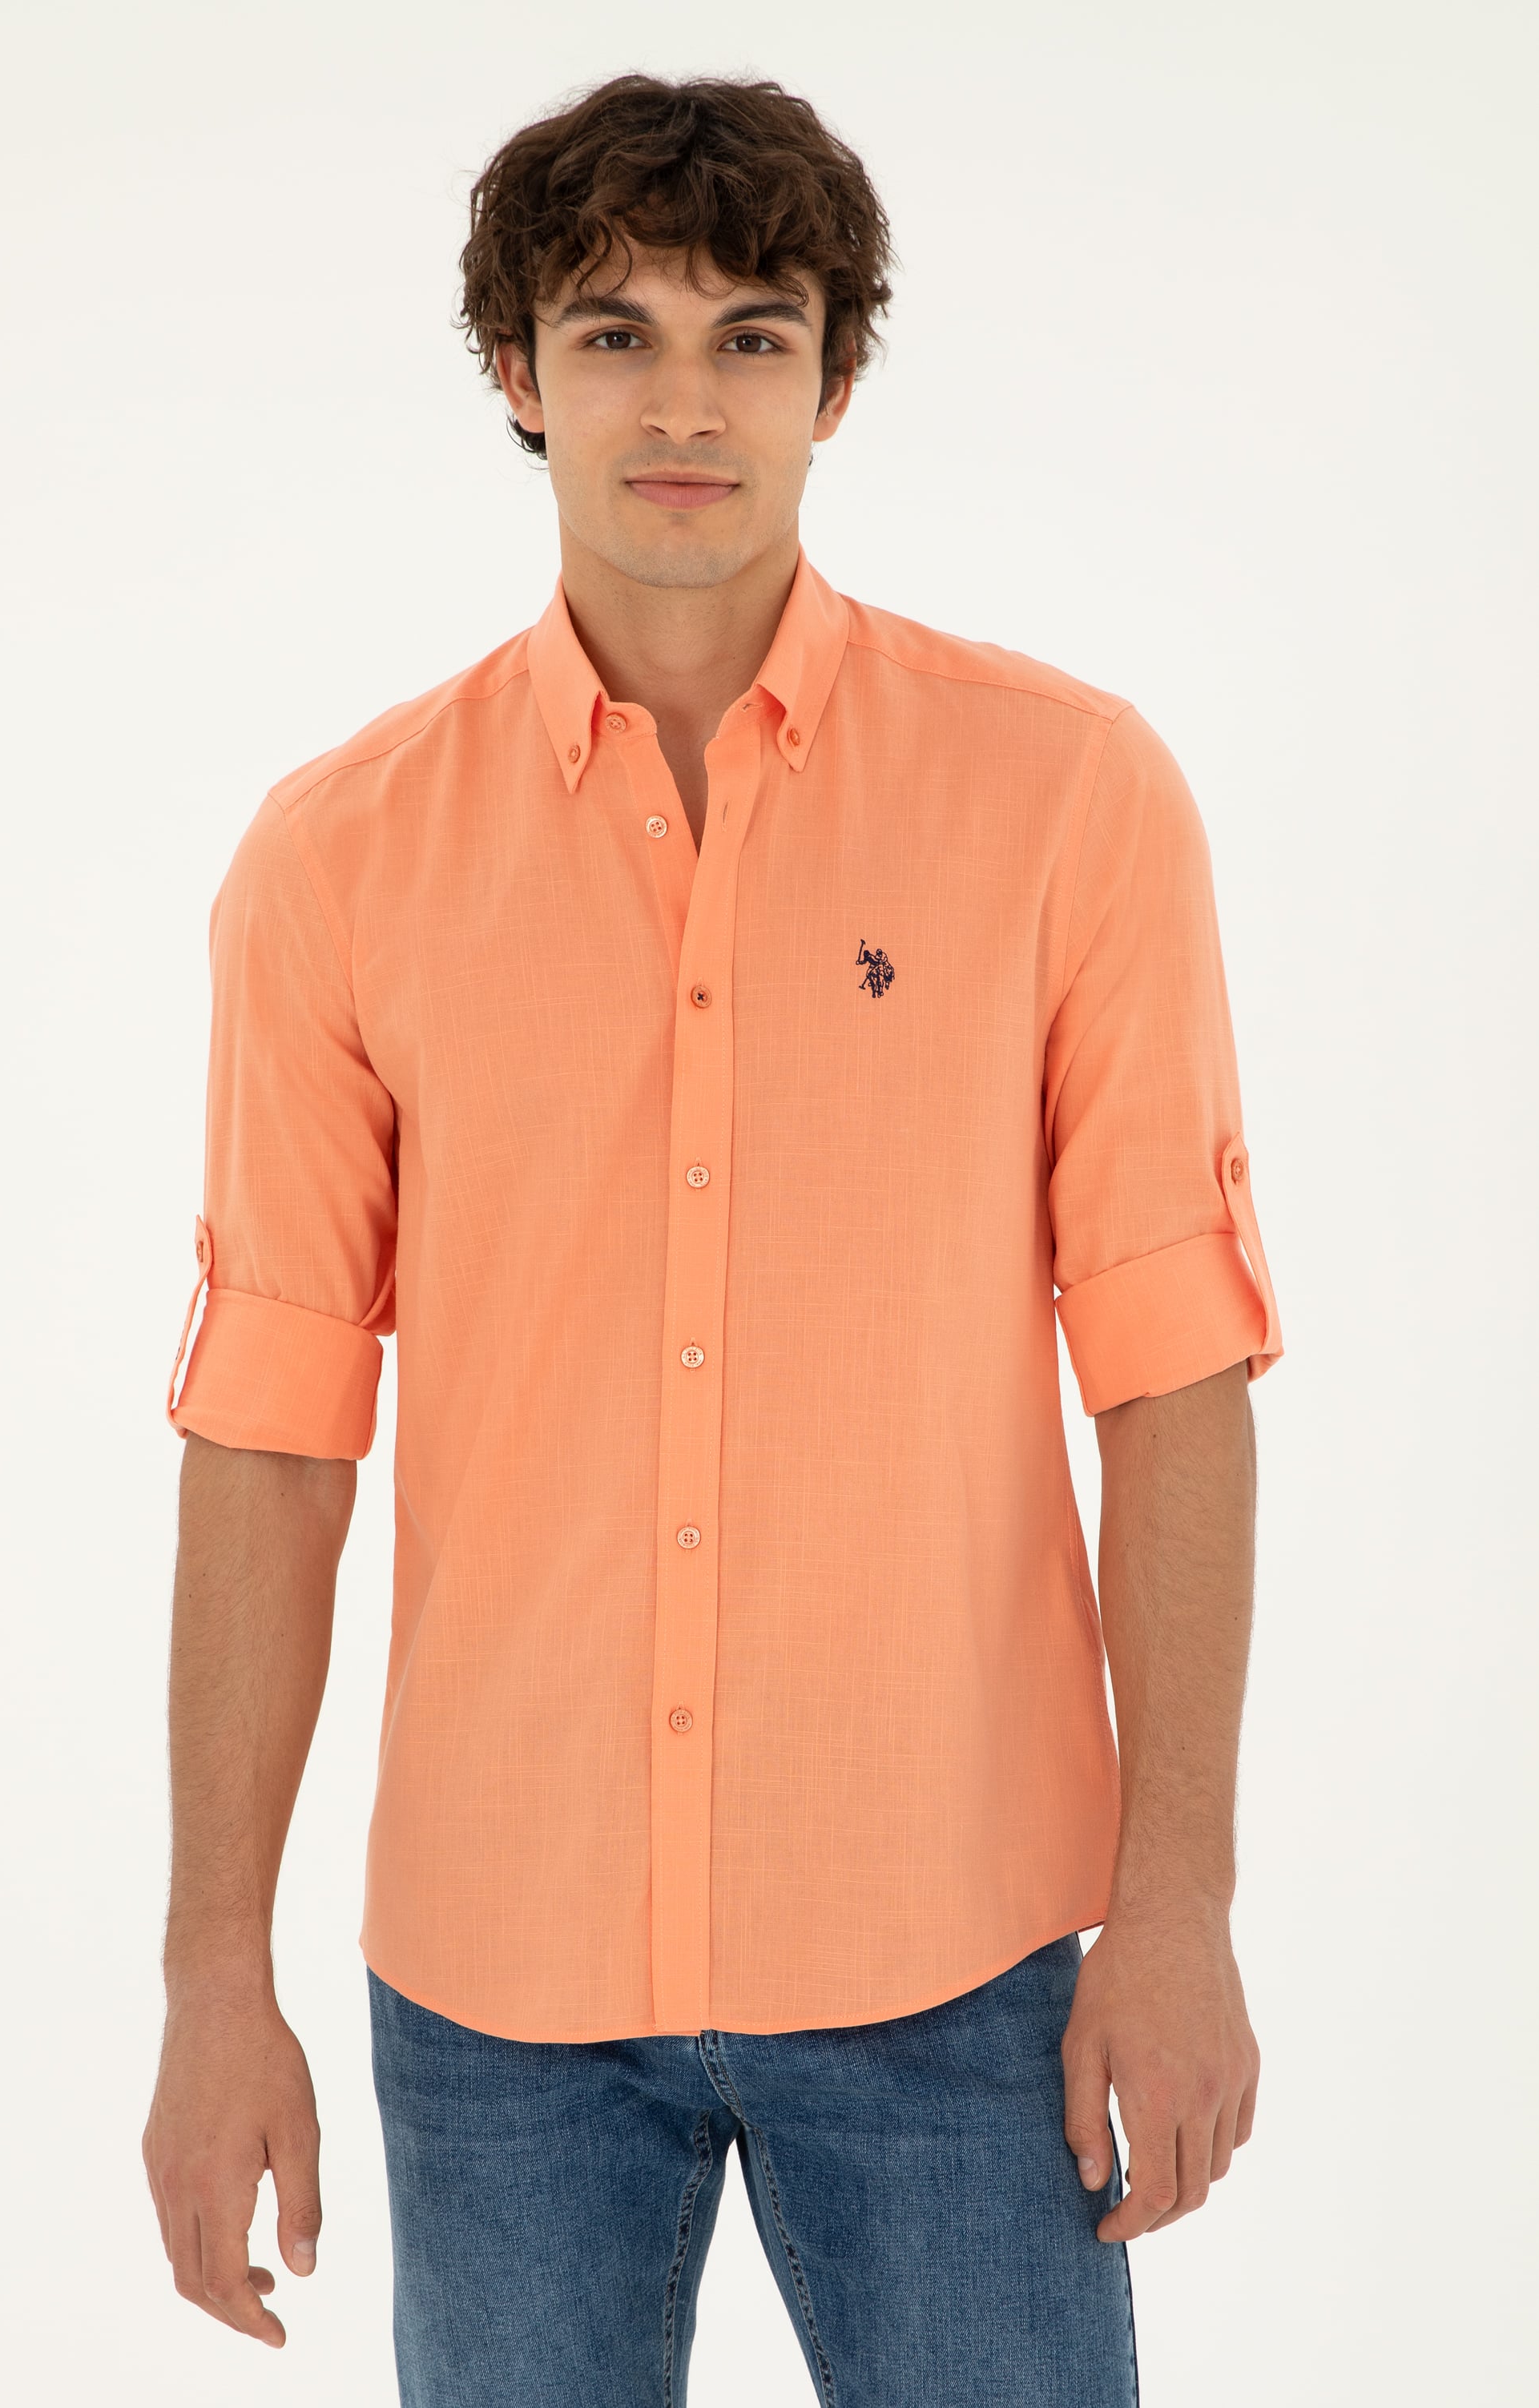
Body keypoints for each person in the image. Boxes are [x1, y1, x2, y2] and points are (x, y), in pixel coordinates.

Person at [143, 70, 1283, 2408]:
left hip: (959, 1955)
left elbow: (1170, 1374)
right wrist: (208, 1977)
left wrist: (1176, 1906)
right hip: (499, 1986)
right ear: (516, 375)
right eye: (614, 335)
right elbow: (268, 1433)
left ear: (834, 380)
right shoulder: (336, 860)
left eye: (751, 337)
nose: (683, 406)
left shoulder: (1067, 800)